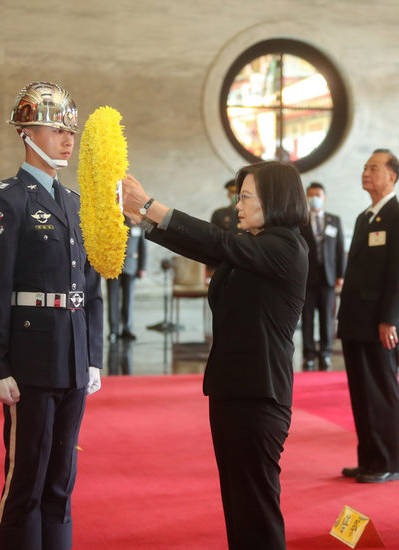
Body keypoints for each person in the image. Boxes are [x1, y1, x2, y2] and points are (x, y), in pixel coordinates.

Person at [121, 161, 308, 550]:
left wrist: (150, 205)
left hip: (260, 393)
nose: (237, 205)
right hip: (231, 387)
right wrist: (141, 219)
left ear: (274, 199)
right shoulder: (255, 247)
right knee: (237, 502)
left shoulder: (285, 245)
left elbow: (218, 243)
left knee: (255, 505)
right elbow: (205, 246)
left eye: (245, 197)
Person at [0, 81, 103, 550]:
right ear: (27, 133)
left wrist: (92, 355)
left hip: (71, 354)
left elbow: (91, 287)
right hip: (29, 358)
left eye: (71, 129)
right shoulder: (7, 199)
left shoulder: (74, 203)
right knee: (27, 472)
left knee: (62, 475)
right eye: (56, 129)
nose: (69, 138)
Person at [337, 148, 399, 484]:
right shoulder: (364, 217)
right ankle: (368, 458)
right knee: (361, 392)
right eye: (365, 168)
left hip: (379, 323)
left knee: (381, 392)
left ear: (392, 176)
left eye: (374, 168)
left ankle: (387, 462)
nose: (366, 173)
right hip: (355, 319)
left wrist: (390, 319)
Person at [300, 182, 345, 371]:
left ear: (324, 197)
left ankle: (325, 353)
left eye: (317, 194)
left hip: (328, 277)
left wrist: (341, 274)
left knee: (327, 317)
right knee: (308, 318)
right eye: (310, 195)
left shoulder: (333, 220)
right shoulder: (300, 221)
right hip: (307, 278)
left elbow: (340, 249)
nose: (314, 198)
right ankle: (309, 354)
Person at [106, 218, 146, 342]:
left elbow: (143, 247)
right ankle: (114, 330)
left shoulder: (138, 222)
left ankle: (127, 329)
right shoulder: (112, 219)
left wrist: (142, 267)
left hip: (131, 266)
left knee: (128, 299)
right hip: (113, 267)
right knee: (113, 299)